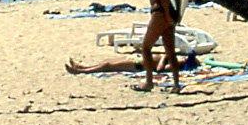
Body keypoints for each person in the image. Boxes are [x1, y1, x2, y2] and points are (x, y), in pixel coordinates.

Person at [133, 0, 182, 93]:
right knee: (170, 51)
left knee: (146, 48)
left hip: (160, 14)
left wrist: (167, 15)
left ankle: (149, 82)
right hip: (169, 13)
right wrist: (177, 13)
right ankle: (176, 85)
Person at [65, 52, 194, 75]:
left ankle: (80, 71)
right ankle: (82, 67)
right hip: (137, 58)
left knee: (107, 66)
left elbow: (160, 69)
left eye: (185, 58)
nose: (183, 57)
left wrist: (165, 56)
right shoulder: (174, 59)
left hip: (138, 65)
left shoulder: (175, 65)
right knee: (107, 62)